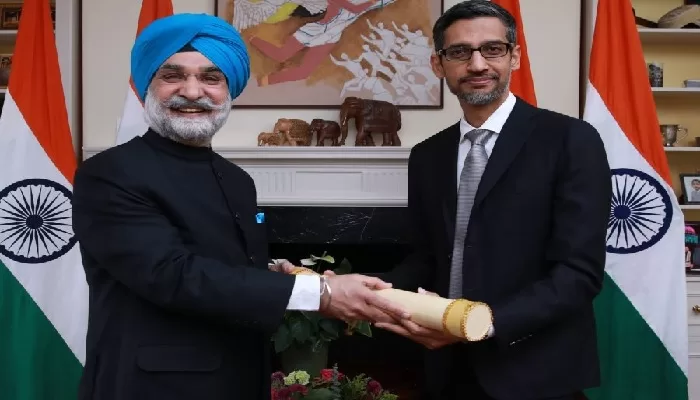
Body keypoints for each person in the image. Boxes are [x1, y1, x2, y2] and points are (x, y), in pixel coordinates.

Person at [71, 13, 408, 400]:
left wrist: (272, 271)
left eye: (211, 78)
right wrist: (320, 292)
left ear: (228, 88)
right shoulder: (110, 173)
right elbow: (172, 274)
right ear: (148, 85)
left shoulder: (237, 180)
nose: (192, 92)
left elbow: (219, 261)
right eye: (173, 76)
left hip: (241, 378)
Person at [366, 1, 612, 399]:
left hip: (535, 370)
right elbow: (426, 258)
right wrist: (363, 290)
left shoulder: (570, 140)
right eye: (460, 52)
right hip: (447, 368)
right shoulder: (427, 155)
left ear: (514, 57)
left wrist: (480, 324)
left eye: (492, 49)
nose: (477, 64)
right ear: (438, 64)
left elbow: (578, 273)